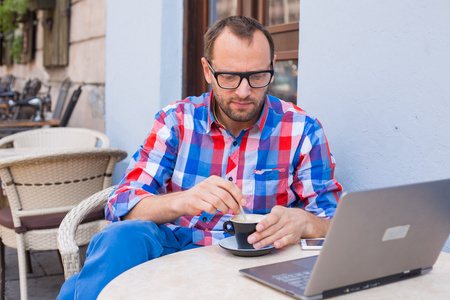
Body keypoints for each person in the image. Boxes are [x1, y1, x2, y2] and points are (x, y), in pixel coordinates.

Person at [58, 15, 342, 299]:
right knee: (118, 239)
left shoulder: (302, 130)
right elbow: (121, 205)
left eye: (257, 76)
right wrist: (182, 201)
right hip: (176, 251)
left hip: (259, 264)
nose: (244, 92)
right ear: (207, 71)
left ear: (272, 66)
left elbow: (333, 222)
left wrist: (304, 222)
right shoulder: (177, 121)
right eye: (229, 77)